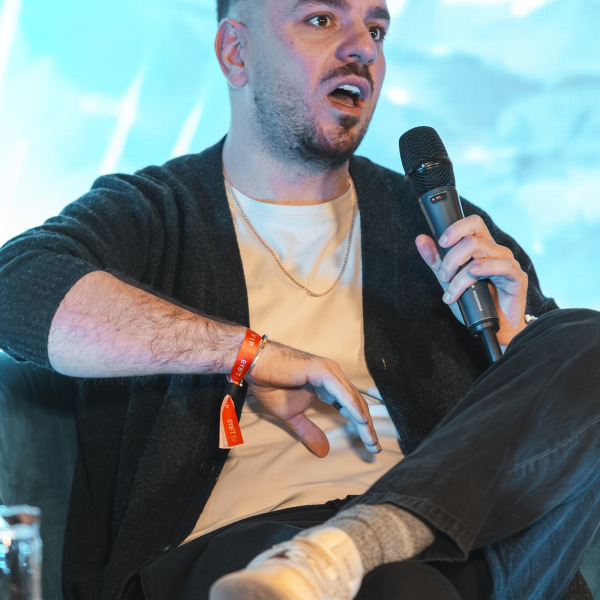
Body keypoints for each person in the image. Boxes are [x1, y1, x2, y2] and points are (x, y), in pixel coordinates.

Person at [0, 0, 598, 599]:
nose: (362, 47)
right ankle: (342, 557)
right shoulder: (154, 213)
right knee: (395, 587)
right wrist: (247, 354)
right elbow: (16, 288)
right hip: (243, 556)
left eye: (376, 29)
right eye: (321, 19)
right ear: (236, 52)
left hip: (457, 553)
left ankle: (359, 544)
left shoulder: (447, 230)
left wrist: (517, 347)